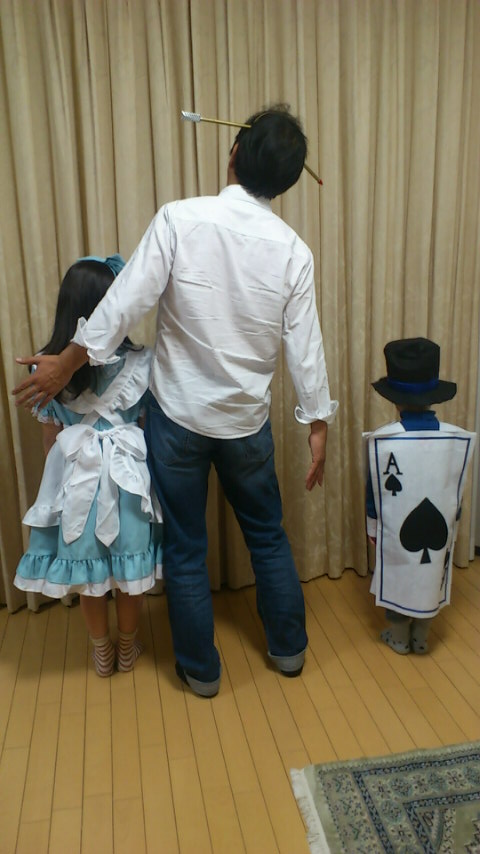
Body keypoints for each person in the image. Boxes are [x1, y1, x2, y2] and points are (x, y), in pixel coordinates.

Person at [13, 105, 338, 697]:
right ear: (289, 180)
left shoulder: (179, 219)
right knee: (267, 537)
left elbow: (122, 305)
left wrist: (68, 361)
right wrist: (317, 422)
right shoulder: (294, 251)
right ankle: (289, 650)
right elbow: (306, 347)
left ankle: (201, 672)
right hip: (245, 423)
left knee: (188, 547)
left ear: (234, 152)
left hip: (179, 420)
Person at [14, 255, 162, 677]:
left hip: (76, 477)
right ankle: (127, 647)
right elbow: (147, 427)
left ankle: (101, 651)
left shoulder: (46, 368)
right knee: (130, 566)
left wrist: (55, 486)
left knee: (87, 572)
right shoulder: (142, 362)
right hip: (128, 478)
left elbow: (50, 440)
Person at [365, 338, 475, 655]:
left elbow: (374, 495)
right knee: (431, 574)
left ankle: (399, 638)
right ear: (432, 397)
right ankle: (421, 638)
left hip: (393, 528)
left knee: (399, 572)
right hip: (443, 524)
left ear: (395, 401)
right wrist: (455, 519)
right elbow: (456, 489)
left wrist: (372, 528)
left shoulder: (383, 442)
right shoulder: (454, 439)